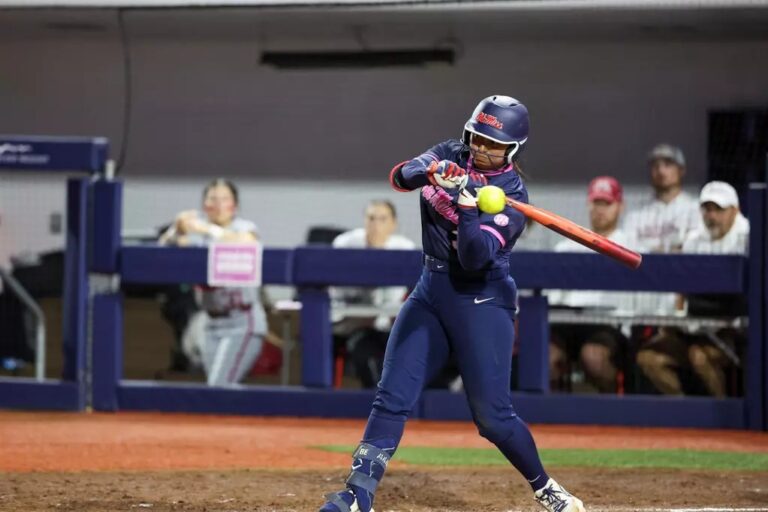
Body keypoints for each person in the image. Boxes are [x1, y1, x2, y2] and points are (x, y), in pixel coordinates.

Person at [319, 95, 585, 512]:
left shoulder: (513, 195)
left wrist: (466, 206)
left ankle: (546, 488)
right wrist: (433, 170)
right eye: (476, 137)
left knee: (493, 419)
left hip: (481, 300)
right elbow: (398, 177)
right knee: (391, 396)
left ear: (511, 150)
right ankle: (357, 494)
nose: (480, 147)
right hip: (430, 291)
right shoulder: (449, 152)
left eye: (491, 143)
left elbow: (474, 257)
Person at [636, 181, 749, 397]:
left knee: (699, 356)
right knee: (648, 357)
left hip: (732, 332)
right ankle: (688, 413)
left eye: (719, 209)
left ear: (735, 210)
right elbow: (681, 290)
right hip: (694, 329)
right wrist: (674, 319)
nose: (712, 216)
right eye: (707, 209)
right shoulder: (694, 239)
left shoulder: (748, 237)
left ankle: (724, 419)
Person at [159, 178, 267, 386]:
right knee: (220, 387)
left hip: (242, 320)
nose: (218, 205)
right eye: (212, 199)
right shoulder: (197, 236)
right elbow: (163, 248)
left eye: (224, 199)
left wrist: (206, 229)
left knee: (219, 385)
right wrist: (177, 229)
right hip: (210, 321)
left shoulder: (243, 228)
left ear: (234, 205)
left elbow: (247, 242)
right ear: (204, 205)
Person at [548, 176, 639, 393]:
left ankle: (615, 408)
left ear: (620, 206)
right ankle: (551, 419)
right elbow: (552, 298)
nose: (600, 210)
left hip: (610, 324)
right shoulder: (567, 246)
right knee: (545, 357)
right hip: (569, 323)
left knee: (593, 357)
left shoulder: (631, 247)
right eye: (596, 203)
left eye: (606, 204)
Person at [330, 199, 415, 388]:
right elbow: (336, 290)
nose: (376, 225)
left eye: (383, 219)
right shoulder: (345, 244)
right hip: (350, 322)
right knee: (362, 350)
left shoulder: (404, 248)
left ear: (393, 224)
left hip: (388, 324)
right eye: (371, 218)